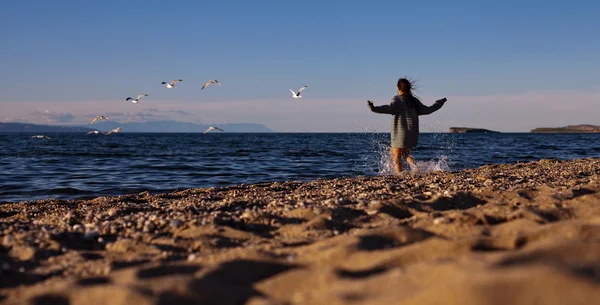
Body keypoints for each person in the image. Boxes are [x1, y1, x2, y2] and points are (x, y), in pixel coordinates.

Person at [367, 78, 447, 174]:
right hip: (412, 133)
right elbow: (428, 110)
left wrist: (373, 108)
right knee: (405, 154)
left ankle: (400, 174)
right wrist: (439, 103)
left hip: (399, 134)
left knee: (395, 155)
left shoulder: (396, 99)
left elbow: (388, 109)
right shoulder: (414, 101)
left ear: (398, 88)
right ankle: (416, 169)